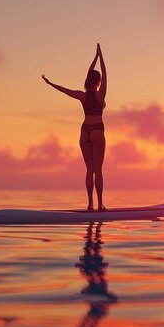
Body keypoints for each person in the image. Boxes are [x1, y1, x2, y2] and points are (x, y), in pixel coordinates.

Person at [42, 43, 108, 210]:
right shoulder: (100, 95)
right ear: (98, 82)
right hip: (97, 131)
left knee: (89, 170)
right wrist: (101, 57)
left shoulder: (82, 96)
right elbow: (105, 74)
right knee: (98, 170)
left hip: (84, 132)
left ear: (88, 81)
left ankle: (90, 205)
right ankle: (100, 205)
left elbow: (64, 90)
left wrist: (50, 84)